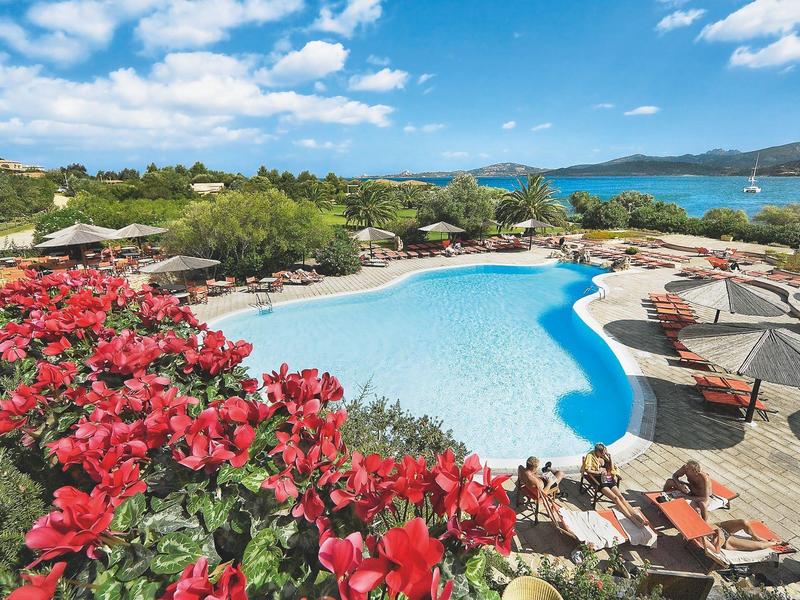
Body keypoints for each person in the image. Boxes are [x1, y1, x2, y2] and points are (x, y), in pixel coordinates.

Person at [582, 443, 648, 528]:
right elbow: (587, 470)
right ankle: (633, 520)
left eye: (605, 452)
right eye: (603, 453)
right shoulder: (590, 456)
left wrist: (610, 458)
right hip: (599, 481)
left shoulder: (605, 456)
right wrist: (598, 472)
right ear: (598, 452)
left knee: (621, 497)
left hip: (608, 478)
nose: (604, 454)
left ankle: (636, 516)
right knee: (616, 498)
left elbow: (611, 468)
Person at [703, 519, 782, 553]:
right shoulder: (701, 538)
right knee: (760, 545)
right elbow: (716, 551)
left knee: (744, 522)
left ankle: (755, 537)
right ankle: (774, 543)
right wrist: (719, 535)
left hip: (719, 526)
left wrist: (718, 530)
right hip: (726, 540)